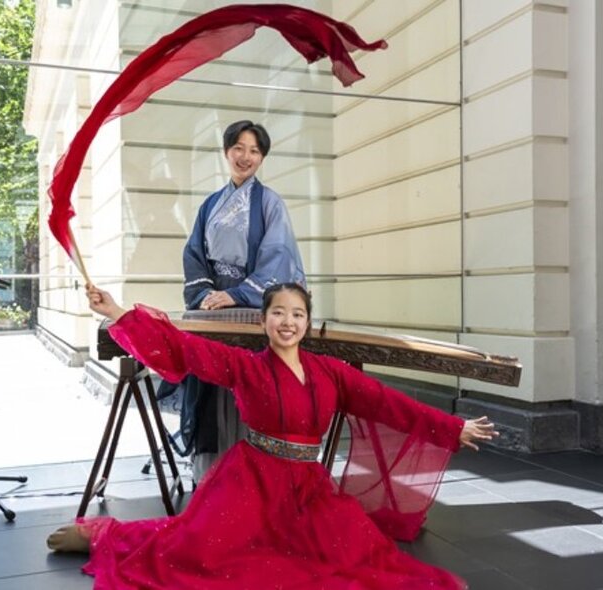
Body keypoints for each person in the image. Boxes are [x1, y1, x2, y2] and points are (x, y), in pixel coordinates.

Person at [47, 282, 498, 589]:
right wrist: (119, 312)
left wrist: (453, 427)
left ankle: (102, 535)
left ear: (307, 322)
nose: (288, 322)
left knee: (356, 558)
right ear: (264, 321)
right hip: (250, 483)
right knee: (193, 553)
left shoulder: (331, 373)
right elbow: (186, 349)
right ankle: (104, 536)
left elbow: (385, 400)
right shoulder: (246, 366)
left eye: (297, 314)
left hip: (308, 489)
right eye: (278, 313)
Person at [169, 120, 306, 482]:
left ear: (262, 158)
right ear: (227, 151)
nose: (246, 157)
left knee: (247, 385)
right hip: (213, 304)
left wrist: (235, 293)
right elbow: (194, 253)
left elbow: (278, 257)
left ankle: (254, 474)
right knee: (212, 384)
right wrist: (203, 296)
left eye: (255, 151)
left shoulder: (270, 203)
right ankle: (214, 472)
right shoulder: (211, 204)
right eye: (239, 148)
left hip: (250, 307)